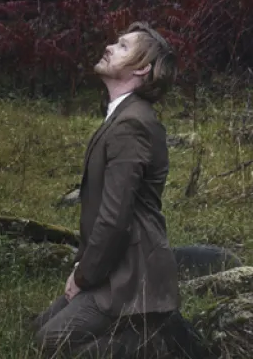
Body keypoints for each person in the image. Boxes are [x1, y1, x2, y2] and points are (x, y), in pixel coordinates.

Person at [34, 22, 194, 358]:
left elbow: (115, 216)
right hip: (114, 266)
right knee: (40, 330)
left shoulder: (131, 125)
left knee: (52, 342)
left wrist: (84, 276)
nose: (109, 47)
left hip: (134, 277)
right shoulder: (122, 116)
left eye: (122, 46)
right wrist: (84, 268)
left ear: (141, 68)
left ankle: (157, 346)